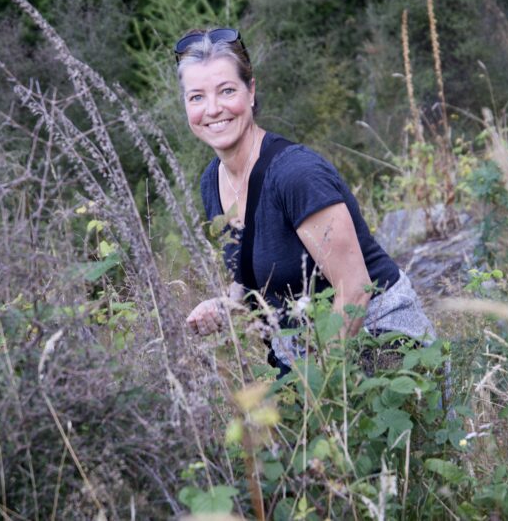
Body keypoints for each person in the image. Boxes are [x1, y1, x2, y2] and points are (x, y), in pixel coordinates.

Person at [177, 27, 436, 376]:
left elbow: (355, 289)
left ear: (251, 92)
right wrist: (225, 305)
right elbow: (254, 269)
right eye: (196, 97)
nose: (212, 109)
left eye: (226, 91)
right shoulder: (212, 181)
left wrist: (319, 387)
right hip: (305, 357)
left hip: (382, 343)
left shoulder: (296, 174)